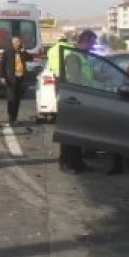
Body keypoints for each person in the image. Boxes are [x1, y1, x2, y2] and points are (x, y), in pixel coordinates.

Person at [49, 29, 98, 173]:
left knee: (78, 134)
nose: (93, 47)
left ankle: (77, 162)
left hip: (80, 98)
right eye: (92, 43)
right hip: (73, 99)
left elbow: (90, 73)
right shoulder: (73, 57)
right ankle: (66, 163)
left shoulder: (82, 56)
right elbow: (75, 78)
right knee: (70, 133)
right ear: (86, 41)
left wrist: (105, 77)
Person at [0, 36, 33, 127]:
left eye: (19, 42)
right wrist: (2, 76)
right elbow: (2, 64)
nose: (19, 43)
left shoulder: (21, 52)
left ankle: (15, 118)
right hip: (11, 79)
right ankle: (10, 118)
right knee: (11, 98)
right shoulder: (8, 52)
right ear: (13, 43)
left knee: (17, 99)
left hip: (20, 78)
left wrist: (24, 51)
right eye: (17, 42)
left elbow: (30, 58)